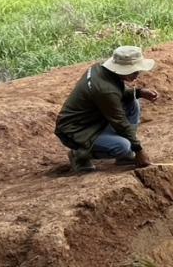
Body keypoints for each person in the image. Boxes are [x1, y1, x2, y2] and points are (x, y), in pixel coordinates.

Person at [55, 45, 159, 174]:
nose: (137, 75)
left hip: (93, 120)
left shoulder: (101, 70)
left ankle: (124, 156)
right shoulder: (105, 90)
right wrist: (138, 150)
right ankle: (79, 154)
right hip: (76, 130)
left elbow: (117, 95)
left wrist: (139, 92)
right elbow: (119, 121)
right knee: (123, 146)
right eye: (134, 71)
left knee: (132, 101)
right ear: (121, 69)